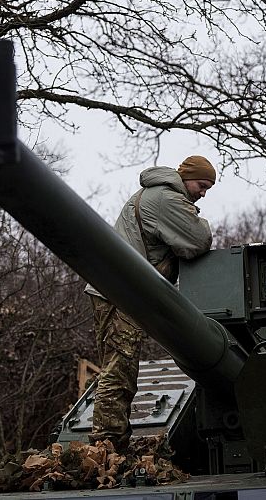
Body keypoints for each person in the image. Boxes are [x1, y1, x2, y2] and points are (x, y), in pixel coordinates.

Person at [84, 155, 216, 451]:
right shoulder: (166, 199)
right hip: (122, 292)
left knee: (118, 365)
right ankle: (107, 443)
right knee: (120, 367)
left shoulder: (156, 195)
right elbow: (198, 240)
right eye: (202, 184)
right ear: (185, 177)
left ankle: (110, 439)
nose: (203, 192)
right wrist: (198, 222)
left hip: (113, 289)